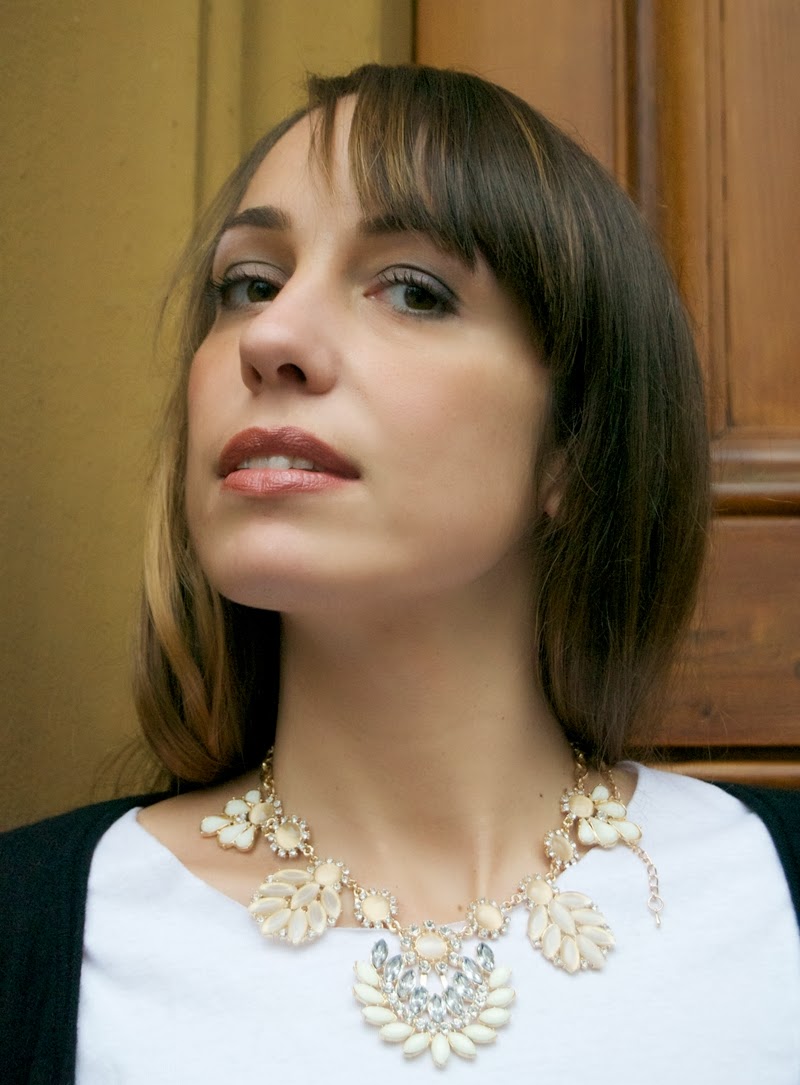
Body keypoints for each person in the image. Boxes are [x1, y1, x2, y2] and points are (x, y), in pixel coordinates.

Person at [2, 63, 798, 1083]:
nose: (271, 337)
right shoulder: (30, 934)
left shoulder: (766, 896)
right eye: (249, 284)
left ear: (571, 445)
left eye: (412, 290)